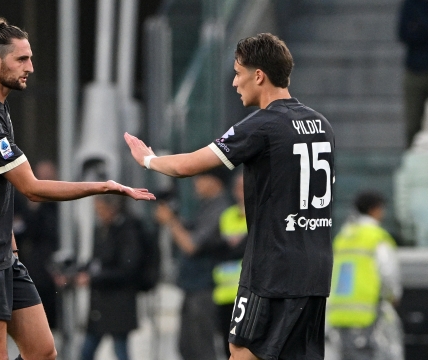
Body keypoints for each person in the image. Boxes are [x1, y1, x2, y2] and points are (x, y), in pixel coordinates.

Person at [0, 17, 154, 360]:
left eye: (31, 58)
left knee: (43, 351)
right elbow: (32, 189)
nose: (30, 67)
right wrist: (102, 186)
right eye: (21, 59)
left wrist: (11, 247)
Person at [124, 32, 335, 360]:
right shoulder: (321, 125)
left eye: (238, 73)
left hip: (272, 267)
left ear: (259, 76)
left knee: (241, 350)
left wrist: (149, 160)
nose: (235, 83)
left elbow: (189, 165)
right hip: (315, 269)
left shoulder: (261, 125)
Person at [155, 168, 231, 360]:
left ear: (214, 181)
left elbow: (191, 245)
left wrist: (171, 221)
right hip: (193, 287)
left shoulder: (220, 209)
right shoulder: (206, 207)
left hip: (206, 288)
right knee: (186, 347)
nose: (195, 183)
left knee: (201, 348)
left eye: (200, 178)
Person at [327, 191, 403, 360]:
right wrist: (393, 296)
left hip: (338, 314)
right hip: (367, 315)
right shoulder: (376, 237)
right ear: (374, 210)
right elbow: (388, 272)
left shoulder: (342, 238)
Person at [75, 196, 142, 360]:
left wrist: (94, 277)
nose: (99, 214)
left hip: (118, 302)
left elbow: (127, 269)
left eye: (101, 209)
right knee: (88, 350)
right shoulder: (104, 229)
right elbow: (95, 260)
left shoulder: (128, 231)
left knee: (119, 350)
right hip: (102, 304)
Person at [13, 160, 60, 329]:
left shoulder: (61, 207)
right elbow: (23, 233)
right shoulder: (27, 205)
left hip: (57, 271)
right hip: (37, 271)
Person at [398, 0, 428, 147]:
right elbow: (403, 33)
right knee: (412, 127)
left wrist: (421, 27)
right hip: (415, 71)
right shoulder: (411, 3)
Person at [212, 172, 247, 358]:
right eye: (238, 188)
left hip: (249, 293)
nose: (241, 192)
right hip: (224, 294)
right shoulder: (226, 216)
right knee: (228, 348)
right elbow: (217, 248)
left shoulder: (260, 215)